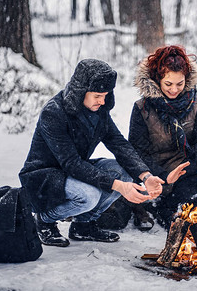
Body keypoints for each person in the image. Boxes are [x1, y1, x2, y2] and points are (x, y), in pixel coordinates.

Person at [19, 59, 164, 247]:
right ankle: (45, 220)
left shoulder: (99, 110)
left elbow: (119, 144)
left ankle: (83, 225)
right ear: (81, 91)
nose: (102, 101)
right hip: (44, 177)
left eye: (105, 95)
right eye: (97, 95)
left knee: (125, 174)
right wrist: (116, 186)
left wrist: (145, 175)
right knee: (89, 195)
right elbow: (71, 163)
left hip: (74, 170)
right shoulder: (53, 113)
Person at [129, 45, 197, 231]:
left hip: (188, 161)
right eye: (168, 84)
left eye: (179, 84)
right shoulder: (142, 108)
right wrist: (164, 176)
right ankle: (170, 210)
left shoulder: (196, 98)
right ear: (157, 80)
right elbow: (136, 153)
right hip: (161, 173)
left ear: (186, 79)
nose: (174, 90)